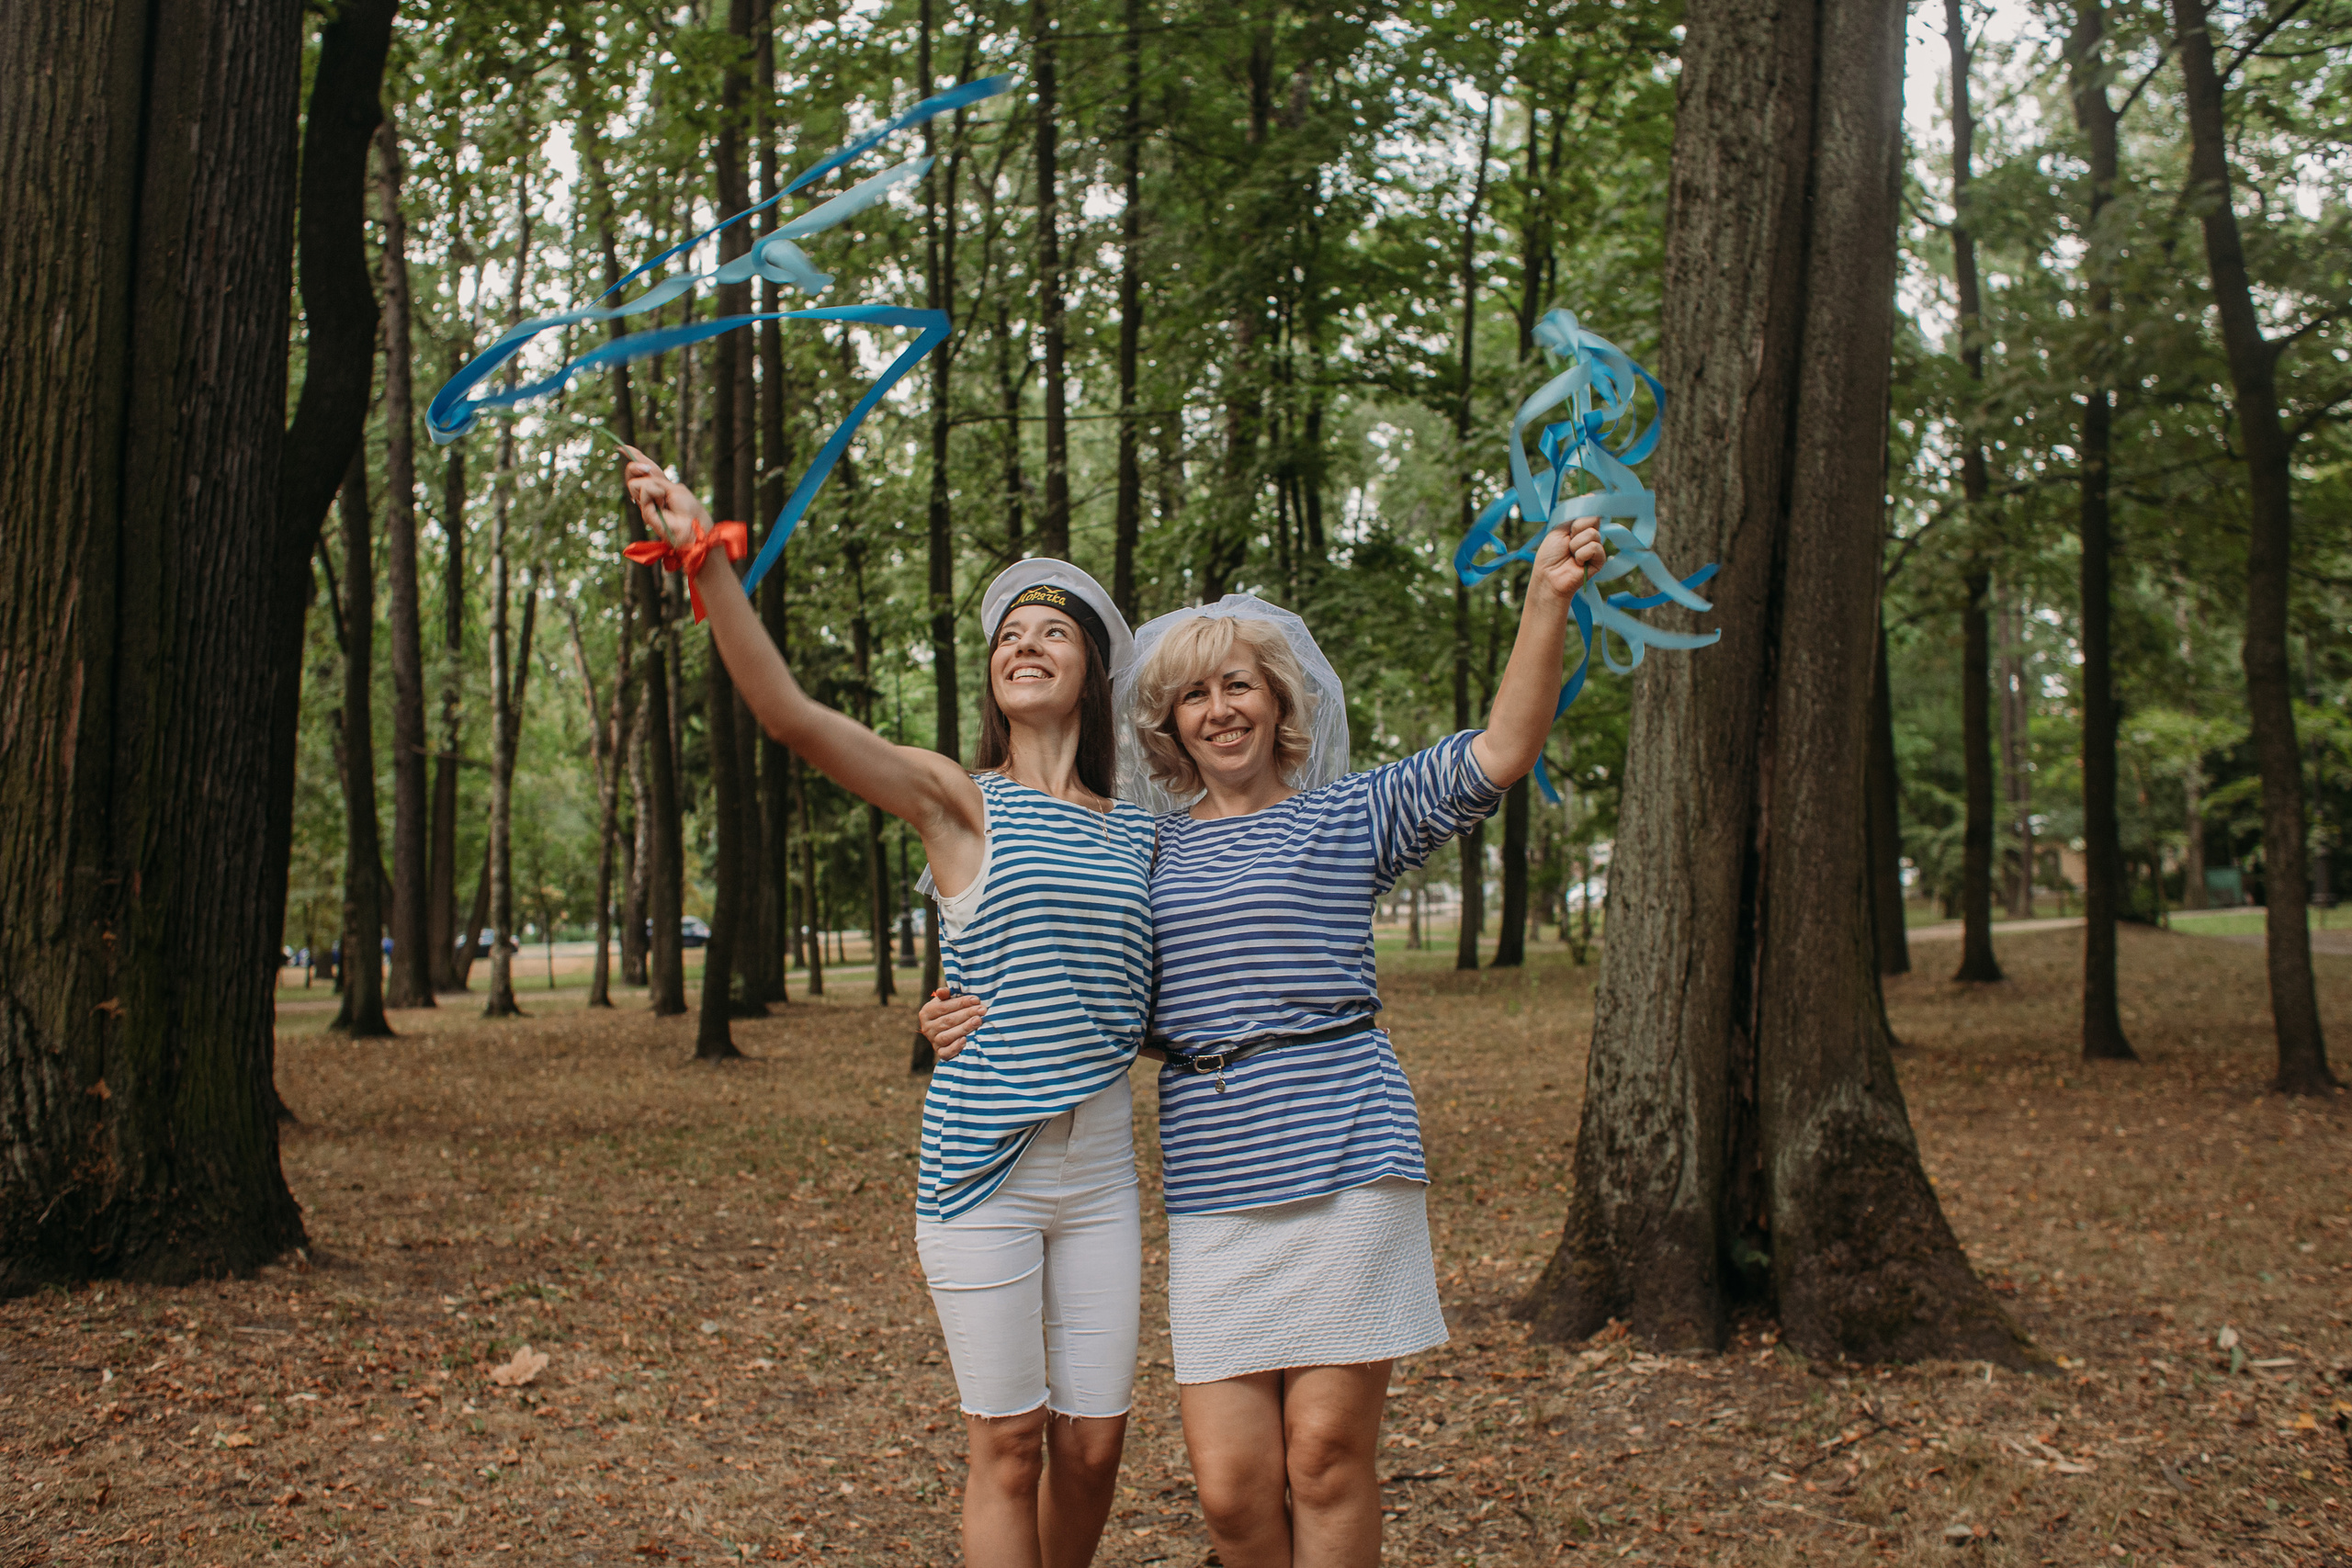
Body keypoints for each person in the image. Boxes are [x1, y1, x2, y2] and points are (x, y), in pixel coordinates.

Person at [920, 520, 1602, 1565]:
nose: (1217, 709)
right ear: (1167, 726)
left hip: (1345, 1157)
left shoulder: (1350, 819)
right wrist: (957, 1009)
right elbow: (1078, 978)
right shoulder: (1144, 851)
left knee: (1324, 1458)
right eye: (1193, 695)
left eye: (1238, 686)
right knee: (1234, 1494)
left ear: (1280, 704)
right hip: (1215, 1185)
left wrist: (1546, 599)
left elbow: (1502, 750)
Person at [618, 446, 1153, 1568]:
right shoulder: (961, 800)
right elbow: (793, 717)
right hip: (981, 1171)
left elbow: (1154, 993)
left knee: (1095, 1446)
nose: (1024, 643)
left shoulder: (1141, 831)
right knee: (1009, 1443)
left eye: (1051, 631)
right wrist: (704, 559)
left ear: (1094, 671)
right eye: (1008, 634)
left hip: (1103, 1169)